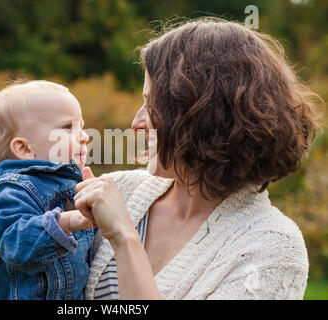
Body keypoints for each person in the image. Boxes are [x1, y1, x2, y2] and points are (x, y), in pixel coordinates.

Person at [74, 18, 322, 300]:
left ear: (202, 116)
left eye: (152, 105)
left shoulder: (272, 248)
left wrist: (123, 237)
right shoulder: (120, 191)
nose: (136, 122)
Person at [0, 80, 97, 299]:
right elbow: (18, 245)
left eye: (82, 127)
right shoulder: (10, 191)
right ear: (24, 148)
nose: (84, 136)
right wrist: (71, 221)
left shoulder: (71, 185)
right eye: (68, 127)